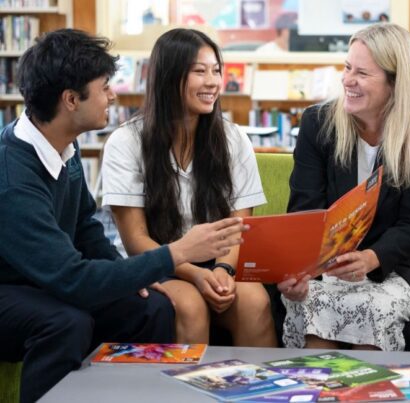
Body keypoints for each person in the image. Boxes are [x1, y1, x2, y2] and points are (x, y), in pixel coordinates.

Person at [0, 29, 247, 403]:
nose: (113, 96)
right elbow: (71, 278)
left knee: (150, 306)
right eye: (104, 88)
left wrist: (133, 276)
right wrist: (175, 253)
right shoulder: (12, 177)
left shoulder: (62, 147)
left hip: (45, 279)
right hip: (11, 291)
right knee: (67, 323)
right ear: (70, 100)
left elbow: (86, 227)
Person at [102, 28, 277, 346]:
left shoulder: (233, 138)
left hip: (218, 262)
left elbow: (240, 226)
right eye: (200, 71)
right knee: (191, 306)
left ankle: (258, 393)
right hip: (157, 263)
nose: (213, 82)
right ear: (169, 76)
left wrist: (223, 269)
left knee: (255, 302)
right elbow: (135, 239)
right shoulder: (125, 142)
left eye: (216, 70)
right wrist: (195, 274)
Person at [277, 22, 410, 351]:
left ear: (395, 83)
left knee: (372, 313)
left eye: (362, 74)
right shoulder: (317, 123)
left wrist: (371, 258)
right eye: (347, 68)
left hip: (392, 268)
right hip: (325, 267)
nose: (347, 80)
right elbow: (304, 210)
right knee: (315, 310)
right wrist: (302, 271)